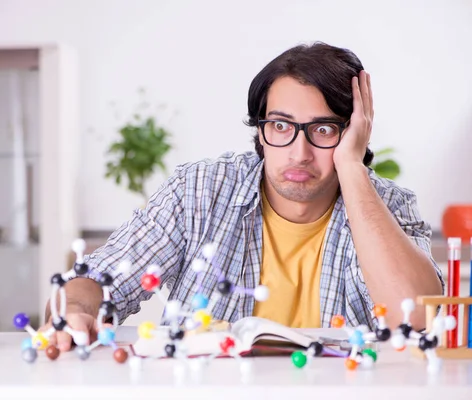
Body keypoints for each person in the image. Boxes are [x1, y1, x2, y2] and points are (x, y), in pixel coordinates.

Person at [41, 42, 444, 351]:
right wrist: (74, 311)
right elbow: (96, 278)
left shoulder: (388, 205)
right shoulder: (199, 191)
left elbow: (418, 319)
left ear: (354, 131)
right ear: (260, 129)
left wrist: (353, 169)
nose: (298, 153)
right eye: (281, 126)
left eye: (323, 130)